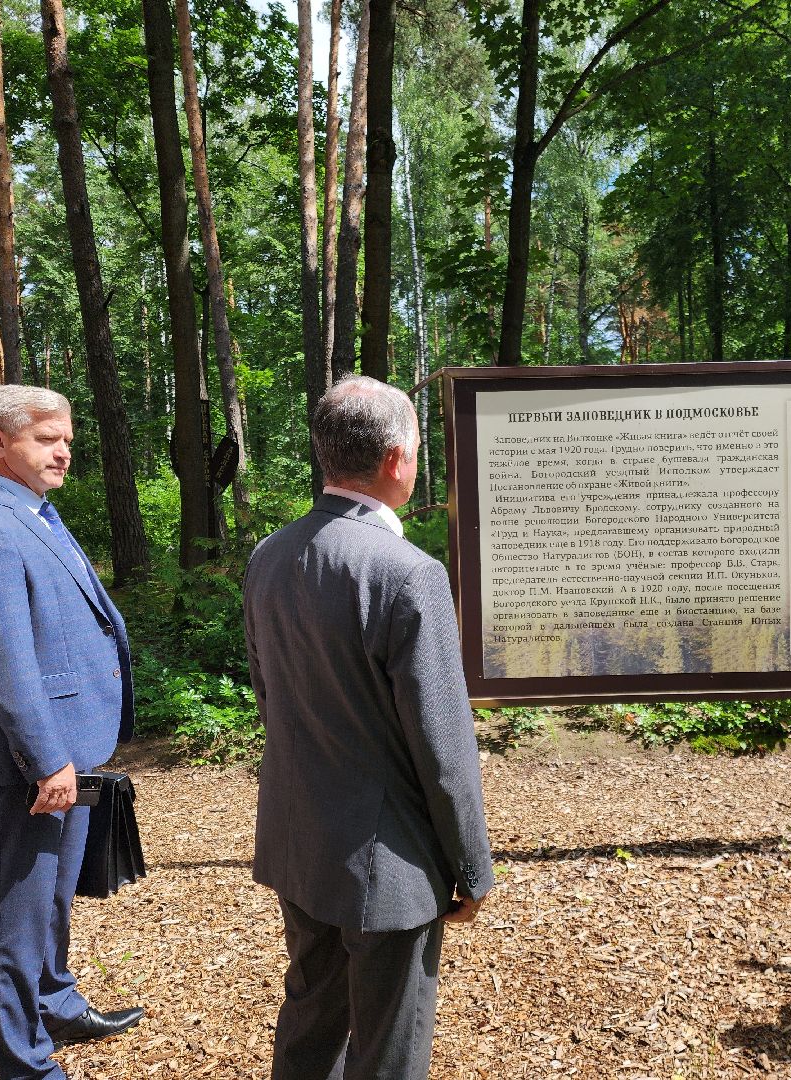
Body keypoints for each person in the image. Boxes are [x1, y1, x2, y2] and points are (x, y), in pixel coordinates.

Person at [244, 374, 494, 1079]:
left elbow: (272, 699)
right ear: (396, 460)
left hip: (300, 838)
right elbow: (442, 747)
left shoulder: (269, 556)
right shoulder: (408, 573)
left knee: (311, 1021)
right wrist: (472, 866)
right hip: (389, 860)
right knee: (389, 1045)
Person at [0, 385, 142, 1079]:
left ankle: (54, 1002)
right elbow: (0, 659)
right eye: (47, 439)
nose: (63, 452)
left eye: (68, 441)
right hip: (23, 762)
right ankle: (26, 1063)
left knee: (51, 898)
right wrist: (48, 757)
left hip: (64, 750)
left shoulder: (36, 515)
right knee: (12, 917)